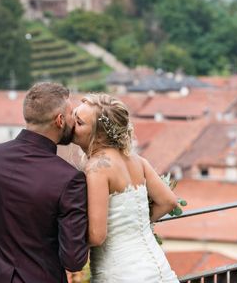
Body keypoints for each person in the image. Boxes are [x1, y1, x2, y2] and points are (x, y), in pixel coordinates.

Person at [0, 82, 89, 283]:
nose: (73, 121)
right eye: (70, 115)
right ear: (59, 120)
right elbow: (73, 261)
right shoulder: (69, 179)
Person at [72, 93, 179, 282]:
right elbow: (168, 201)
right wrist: (134, 226)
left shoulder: (97, 168)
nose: (72, 124)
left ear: (99, 135)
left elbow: (97, 236)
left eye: (79, 123)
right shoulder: (137, 160)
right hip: (158, 268)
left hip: (122, 274)